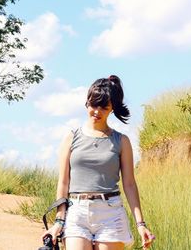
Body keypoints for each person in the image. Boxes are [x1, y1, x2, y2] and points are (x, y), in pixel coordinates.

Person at [42, 75, 155, 250]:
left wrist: (141, 224)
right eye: (94, 105)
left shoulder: (121, 141)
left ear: (112, 109)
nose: (97, 111)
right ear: (87, 102)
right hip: (76, 212)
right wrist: (58, 221)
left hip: (111, 214)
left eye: (104, 107)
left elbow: (130, 185)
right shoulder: (71, 138)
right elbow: (63, 183)